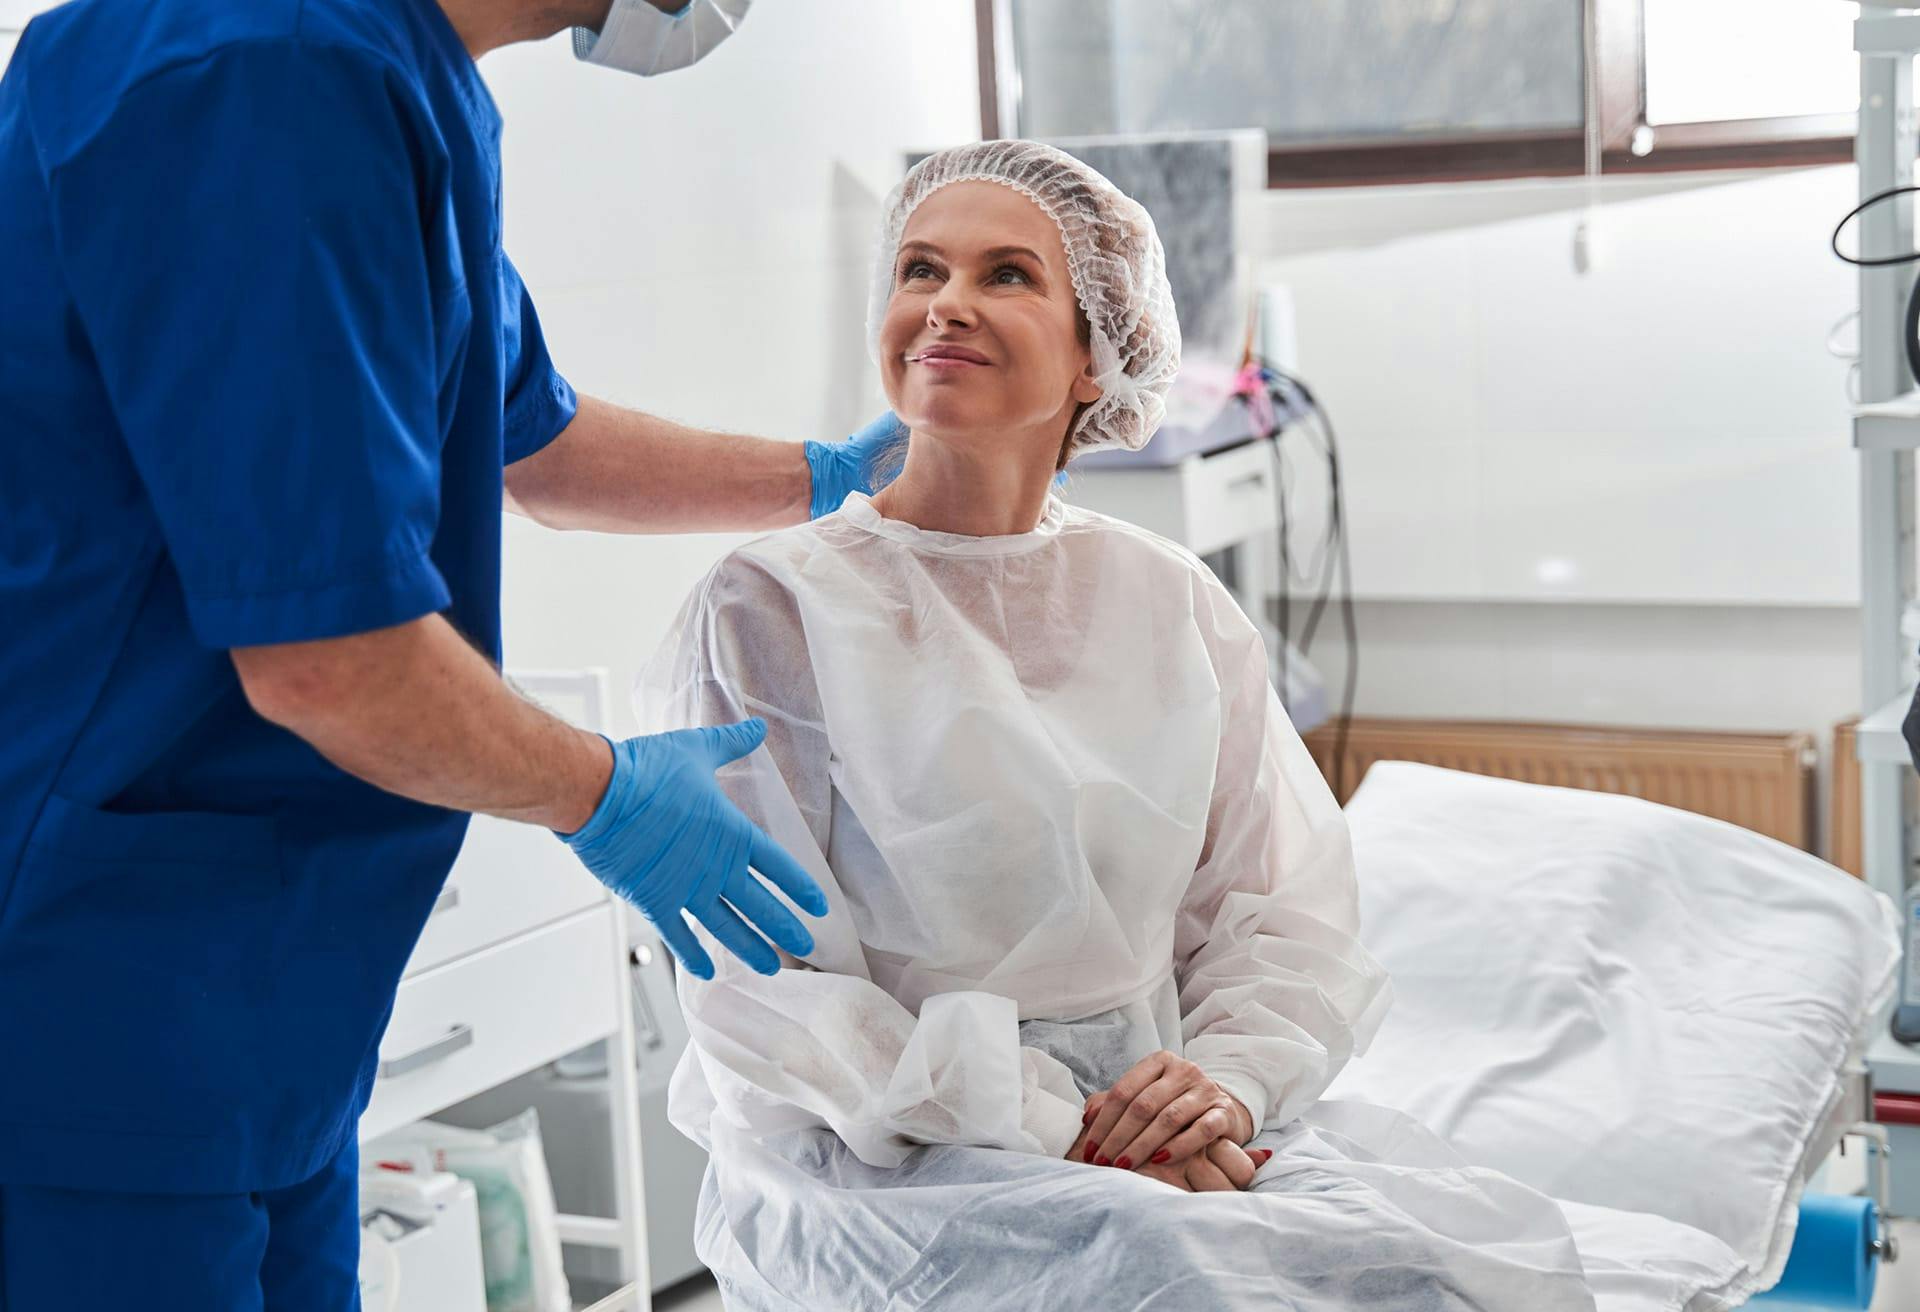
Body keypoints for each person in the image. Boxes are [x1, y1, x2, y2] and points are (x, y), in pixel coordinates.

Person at [0, 0, 891, 1306]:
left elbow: (531, 436)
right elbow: (327, 663)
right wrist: (606, 793)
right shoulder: (261, 74)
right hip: (98, 1000)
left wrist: (821, 479)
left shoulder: (385, 76)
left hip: (258, 1002)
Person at [639, 141, 1601, 1309]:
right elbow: (773, 1000)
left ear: (1101, 354)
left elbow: (1277, 909)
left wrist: (1225, 1086)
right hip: (887, 1161)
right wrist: (1063, 1119)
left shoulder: (1168, 598)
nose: (945, 304)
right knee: (1180, 1281)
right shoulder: (771, 608)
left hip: (1168, 1124)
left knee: (1451, 1273)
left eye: (1006, 276)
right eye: (918, 270)